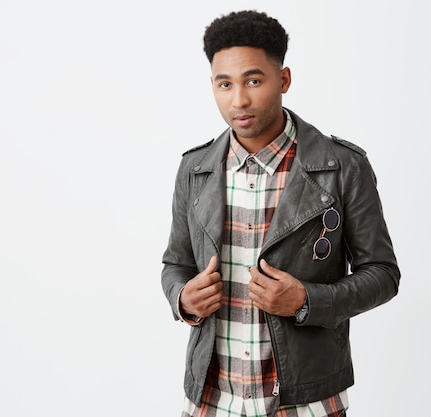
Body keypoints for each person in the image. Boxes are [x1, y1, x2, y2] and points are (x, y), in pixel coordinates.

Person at [161, 10, 400, 417]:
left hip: (306, 403)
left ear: (283, 79)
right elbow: (175, 263)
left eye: (254, 80)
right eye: (225, 84)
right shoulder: (195, 169)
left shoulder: (342, 167)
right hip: (211, 400)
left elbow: (382, 273)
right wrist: (183, 298)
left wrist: (307, 300)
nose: (239, 100)